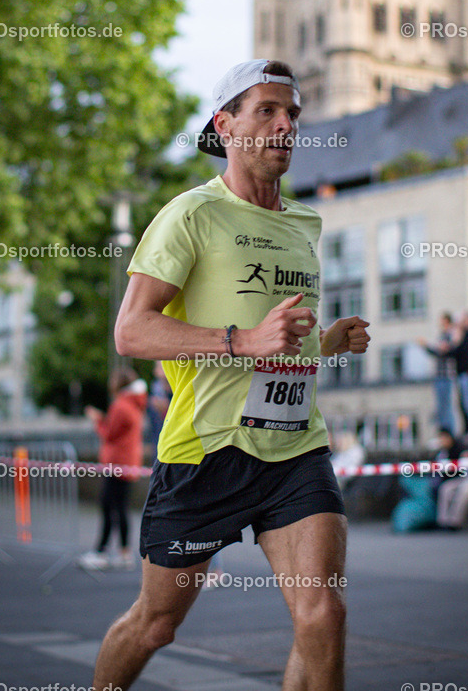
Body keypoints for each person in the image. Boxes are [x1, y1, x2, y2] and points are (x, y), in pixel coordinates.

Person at [91, 59, 370, 691]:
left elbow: (278, 338)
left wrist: (325, 344)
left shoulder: (304, 222)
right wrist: (241, 341)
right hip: (207, 452)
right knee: (155, 625)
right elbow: (131, 331)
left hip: (294, 449)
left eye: (292, 113)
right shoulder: (191, 214)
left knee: (322, 615)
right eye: (266, 111)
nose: (284, 125)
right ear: (226, 125)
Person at [79, 367, 148, 570]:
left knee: (108, 507)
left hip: (116, 464)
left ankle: (101, 552)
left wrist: (97, 421)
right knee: (120, 508)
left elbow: (108, 434)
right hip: (128, 464)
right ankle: (124, 552)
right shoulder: (135, 404)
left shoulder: (121, 405)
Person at [419, 311, 457, 434]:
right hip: (440, 376)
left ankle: (449, 433)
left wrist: (426, 345)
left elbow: (441, 351)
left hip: (446, 376)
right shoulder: (443, 335)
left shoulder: (450, 336)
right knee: (441, 408)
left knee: (446, 408)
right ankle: (444, 434)